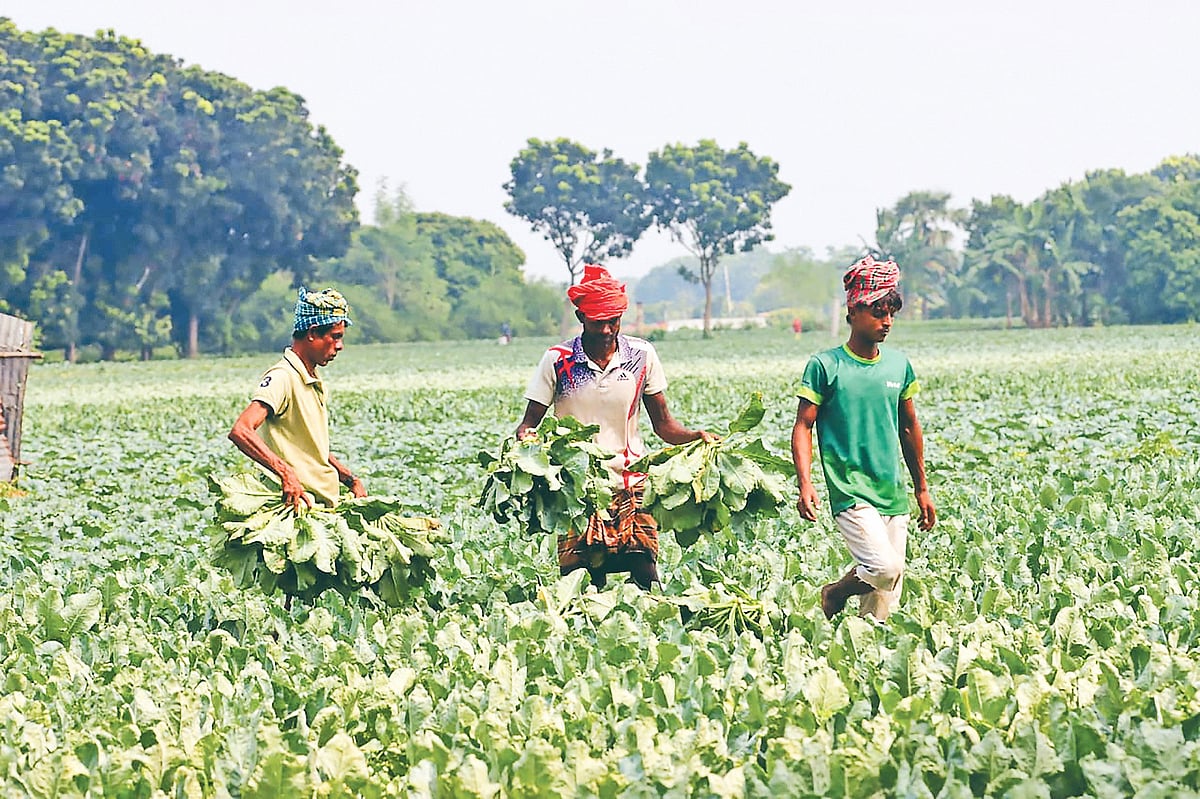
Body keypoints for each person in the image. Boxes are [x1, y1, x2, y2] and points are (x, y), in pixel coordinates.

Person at [515, 264, 714, 590]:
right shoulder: (558, 360)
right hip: (575, 489)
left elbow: (663, 424)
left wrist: (696, 438)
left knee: (647, 574)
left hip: (631, 482)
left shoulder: (641, 355)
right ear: (582, 318)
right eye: (598, 322)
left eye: (613, 321)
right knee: (580, 585)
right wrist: (528, 442)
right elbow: (528, 424)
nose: (607, 329)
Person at [791, 256, 936, 621]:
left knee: (882, 607)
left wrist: (921, 488)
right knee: (885, 570)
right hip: (851, 491)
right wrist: (805, 483)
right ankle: (835, 593)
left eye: (891, 313)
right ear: (853, 311)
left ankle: (863, 662)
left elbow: (909, 427)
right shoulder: (825, 366)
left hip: (892, 491)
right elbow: (803, 426)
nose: (886, 322)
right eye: (877, 312)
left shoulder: (898, 365)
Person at [229, 287, 366, 510]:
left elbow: (309, 446)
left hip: (324, 503)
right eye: (335, 337)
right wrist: (285, 473)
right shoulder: (283, 377)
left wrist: (349, 479)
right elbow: (241, 430)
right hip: (299, 508)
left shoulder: (312, 378)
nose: (340, 346)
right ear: (312, 333)